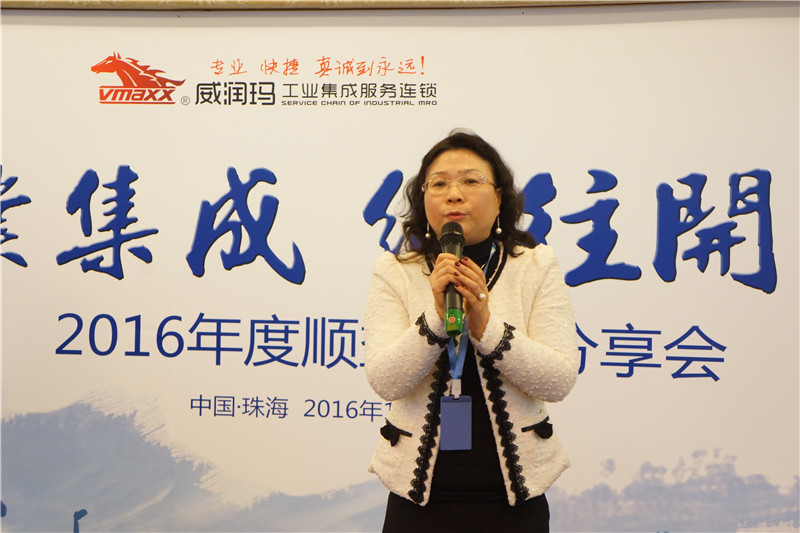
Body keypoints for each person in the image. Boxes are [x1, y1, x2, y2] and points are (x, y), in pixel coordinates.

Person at [364, 129, 580, 532]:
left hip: (514, 505)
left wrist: (486, 328)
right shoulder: (395, 271)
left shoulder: (536, 267)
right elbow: (385, 380)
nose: (454, 194)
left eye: (470, 180)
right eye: (438, 184)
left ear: (499, 199)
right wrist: (436, 319)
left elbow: (558, 380)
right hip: (417, 504)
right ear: (422, 200)